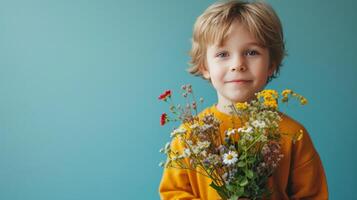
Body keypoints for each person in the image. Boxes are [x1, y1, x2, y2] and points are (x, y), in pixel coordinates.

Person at [159, 0, 328, 199]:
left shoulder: (293, 135)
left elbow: (313, 195)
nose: (238, 64)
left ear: (271, 64)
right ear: (205, 67)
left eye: (251, 52)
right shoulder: (189, 137)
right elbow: (173, 193)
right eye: (223, 54)